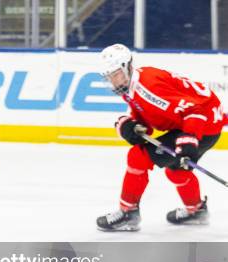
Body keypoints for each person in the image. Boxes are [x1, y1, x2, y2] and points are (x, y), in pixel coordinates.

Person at [96, 44, 224, 231]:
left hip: (202, 125)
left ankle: (128, 212)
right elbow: (148, 118)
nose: (113, 81)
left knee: (138, 156)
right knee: (176, 171)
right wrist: (130, 125)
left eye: (115, 75)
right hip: (196, 123)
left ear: (127, 67)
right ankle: (196, 210)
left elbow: (194, 111)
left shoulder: (149, 87)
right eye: (109, 77)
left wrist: (188, 141)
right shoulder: (131, 85)